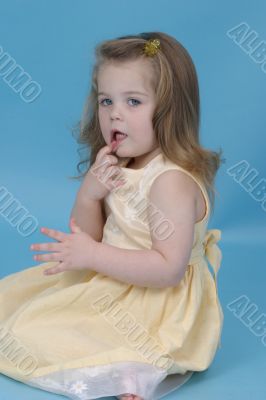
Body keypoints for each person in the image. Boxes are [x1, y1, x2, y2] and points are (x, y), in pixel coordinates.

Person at [0, 31, 225, 400]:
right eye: (106, 100)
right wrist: (90, 195)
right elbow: (90, 235)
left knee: (33, 336)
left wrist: (91, 256)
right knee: (14, 305)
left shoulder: (170, 181)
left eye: (133, 101)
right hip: (112, 280)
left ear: (169, 110)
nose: (114, 113)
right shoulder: (119, 163)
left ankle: (136, 368)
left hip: (156, 304)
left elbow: (168, 269)